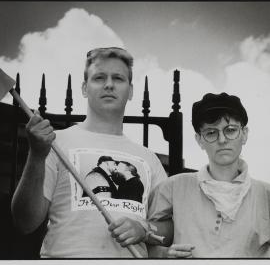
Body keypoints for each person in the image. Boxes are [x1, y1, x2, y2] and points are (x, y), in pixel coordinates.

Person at [11, 47, 167, 258]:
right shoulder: (55, 142)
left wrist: (144, 229)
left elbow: (169, 226)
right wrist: (37, 155)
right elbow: (25, 222)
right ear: (85, 88)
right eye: (99, 77)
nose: (109, 84)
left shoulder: (149, 159)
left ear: (130, 91)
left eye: (118, 78)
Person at [110, 92, 270, 258]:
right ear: (199, 140)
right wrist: (165, 254)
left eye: (230, 130)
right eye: (211, 132)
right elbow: (146, 246)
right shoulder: (173, 188)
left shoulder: (265, 195)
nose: (222, 139)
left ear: (244, 134)